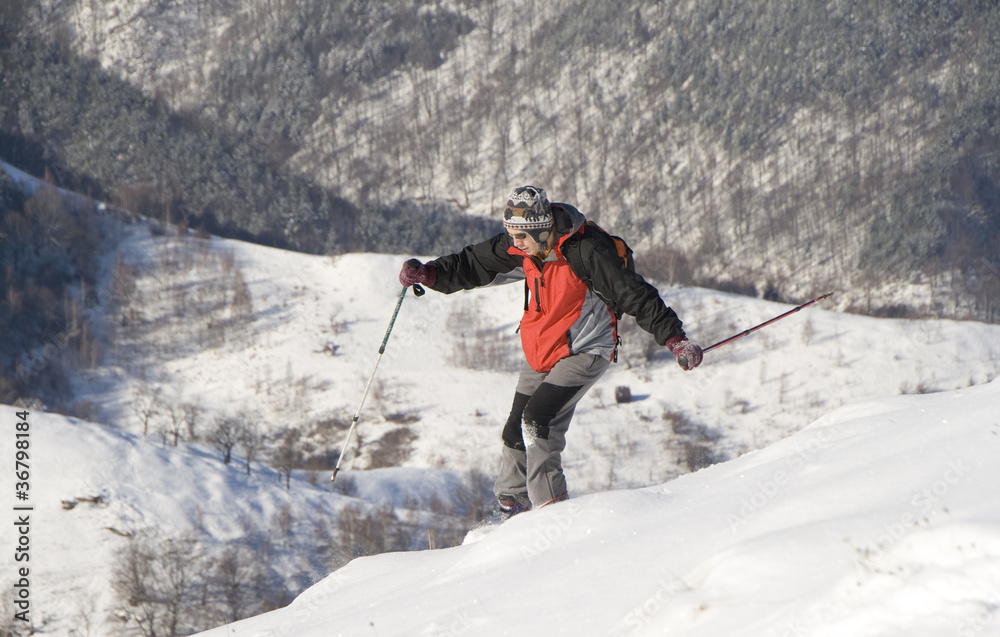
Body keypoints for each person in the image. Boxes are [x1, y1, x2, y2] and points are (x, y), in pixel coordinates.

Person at [399, 185, 702, 517]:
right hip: (542, 348)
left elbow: (634, 294)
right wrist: (429, 274)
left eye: (522, 237)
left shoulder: (586, 251)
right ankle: (514, 503)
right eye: (511, 235)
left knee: (537, 421)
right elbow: (472, 264)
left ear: (543, 228)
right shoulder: (523, 245)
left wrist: (674, 339)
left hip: (586, 348)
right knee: (515, 428)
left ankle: (553, 514)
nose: (516, 244)